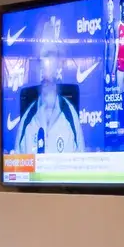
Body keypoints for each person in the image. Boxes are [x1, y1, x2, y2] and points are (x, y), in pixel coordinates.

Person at [13, 15, 84, 155]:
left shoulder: (71, 119)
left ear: (59, 60)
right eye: (39, 55)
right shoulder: (27, 121)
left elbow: (81, 165)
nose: (43, 61)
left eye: (48, 54)